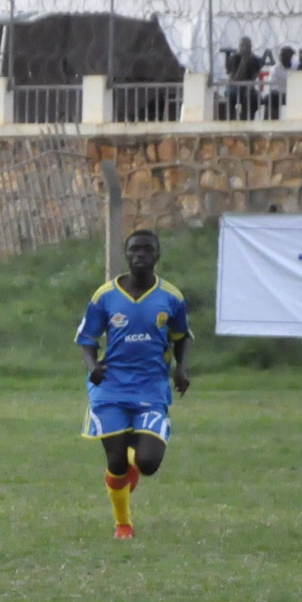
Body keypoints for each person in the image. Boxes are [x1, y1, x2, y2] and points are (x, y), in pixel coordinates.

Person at [79, 228, 192, 540]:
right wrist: (93, 367)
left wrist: (181, 369)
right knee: (115, 462)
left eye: (146, 250)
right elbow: (87, 338)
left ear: (157, 255)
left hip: (151, 387)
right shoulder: (105, 296)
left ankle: (135, 455)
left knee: (149, 463)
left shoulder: (172, 297)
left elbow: (182, 337)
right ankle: (123, 524)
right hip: (111, 388)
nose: (139, 255)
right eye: (134, 250)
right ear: (126, 255)